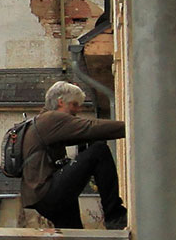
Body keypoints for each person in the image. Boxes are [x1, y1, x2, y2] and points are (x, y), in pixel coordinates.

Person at [20, 81, 128, 230]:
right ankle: (115, 215)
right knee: (99, 150)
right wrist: (130, 126)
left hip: (40, 196)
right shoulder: (51, 119)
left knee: (75, 238)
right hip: (47, 192)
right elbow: (91, 127)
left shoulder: (40, 122)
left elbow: (81, 135)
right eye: (75, 105)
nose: (78, 110)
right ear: (60, 102)